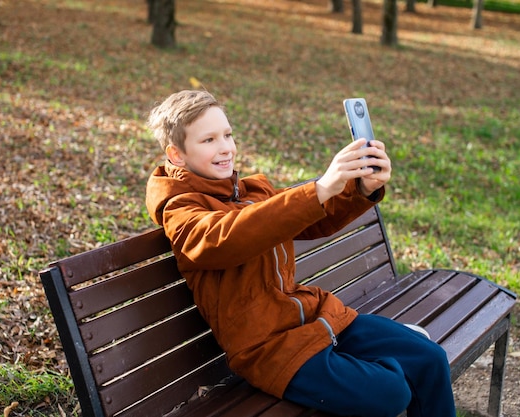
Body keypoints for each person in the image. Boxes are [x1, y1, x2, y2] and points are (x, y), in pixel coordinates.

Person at [145, 90, 456, 417]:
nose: (225, 147)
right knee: (392, 391)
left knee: (429, 358)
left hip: (316, 318)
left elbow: (308, 220)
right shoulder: (181, 210)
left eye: (227, 135)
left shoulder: (251, 191)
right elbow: (222, 239)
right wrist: (320, 188)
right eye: (208, 140)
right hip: (272, 350)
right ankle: (372, 359)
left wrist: (360, 188)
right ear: (176, 155)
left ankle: (383, 353)